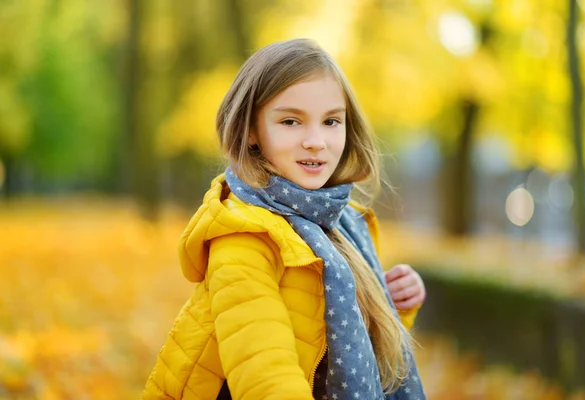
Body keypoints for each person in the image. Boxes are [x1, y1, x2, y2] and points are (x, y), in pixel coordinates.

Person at [143, 38, 427, 400]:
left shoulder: (341, 223)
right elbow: (264, 373)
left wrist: (396, 307)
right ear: (251, 131)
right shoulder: (243, 237)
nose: (315, 141)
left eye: (331, 121)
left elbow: (348, 356)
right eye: (291, 121)